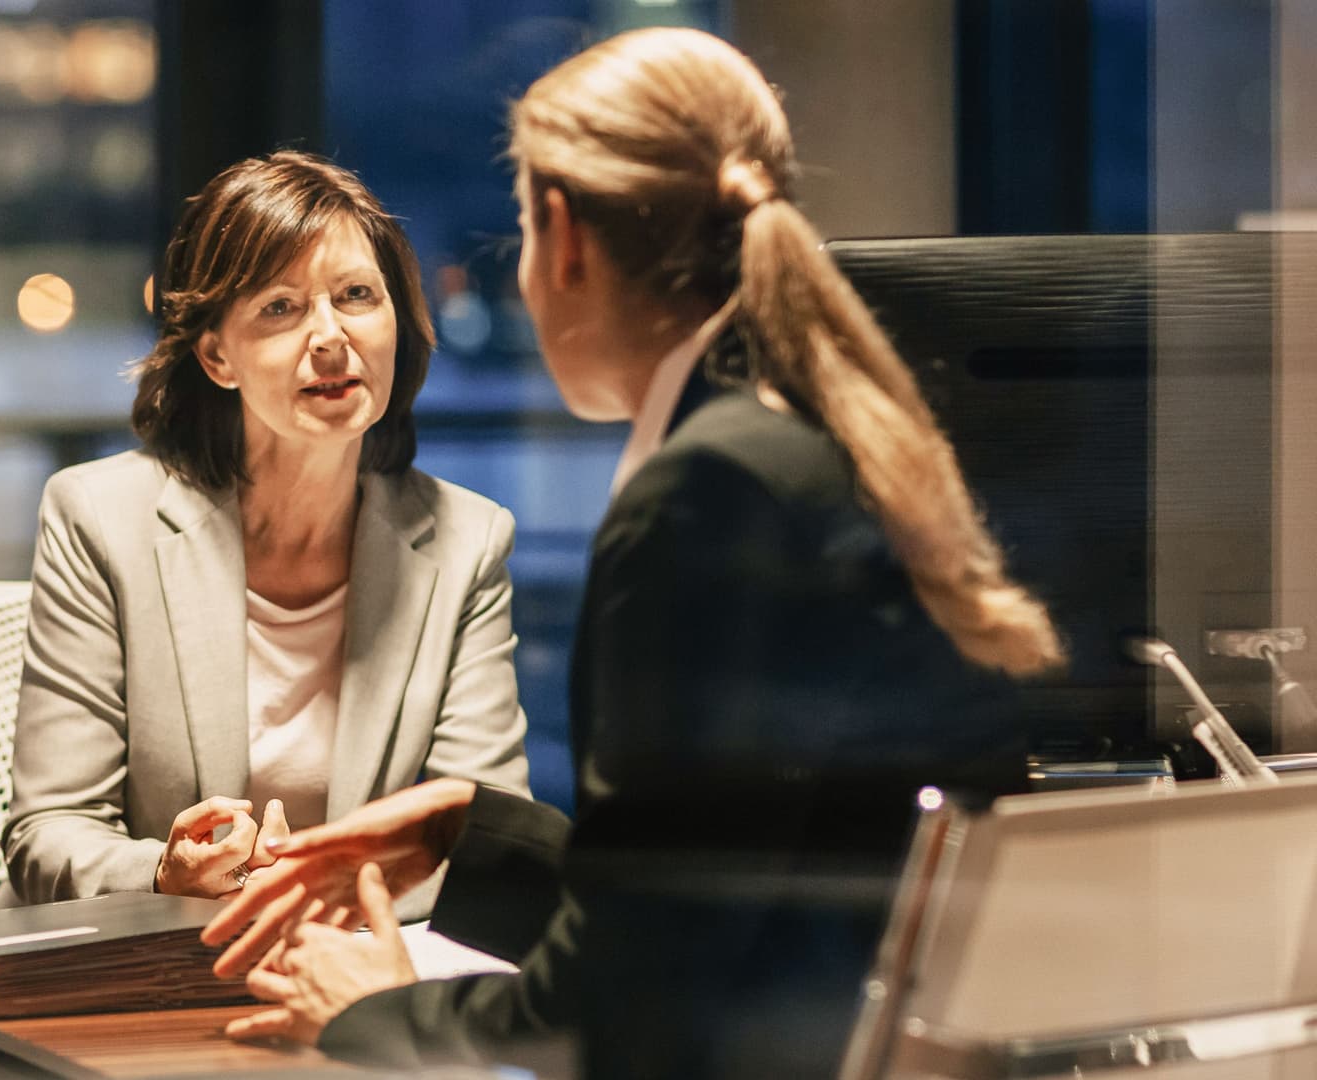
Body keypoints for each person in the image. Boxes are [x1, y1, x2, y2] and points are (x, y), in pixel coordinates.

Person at [202, 28, 1063, 1077]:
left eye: (520, 228)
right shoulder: (811, 436)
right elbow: (716, 884)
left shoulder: (706, 495)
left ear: (562, 236)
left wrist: (378, 1012)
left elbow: (617, 1014)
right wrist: (482, 836)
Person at [0, 151, 532, 908]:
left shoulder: (466, 543)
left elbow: (488, 840)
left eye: (356, 295)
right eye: (280, 308)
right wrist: (162, 872)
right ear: (218, 354)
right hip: (147, 969)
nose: (329, 337)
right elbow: (48, 832)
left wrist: (321, 891)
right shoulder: (100, 521)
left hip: (350, 976)